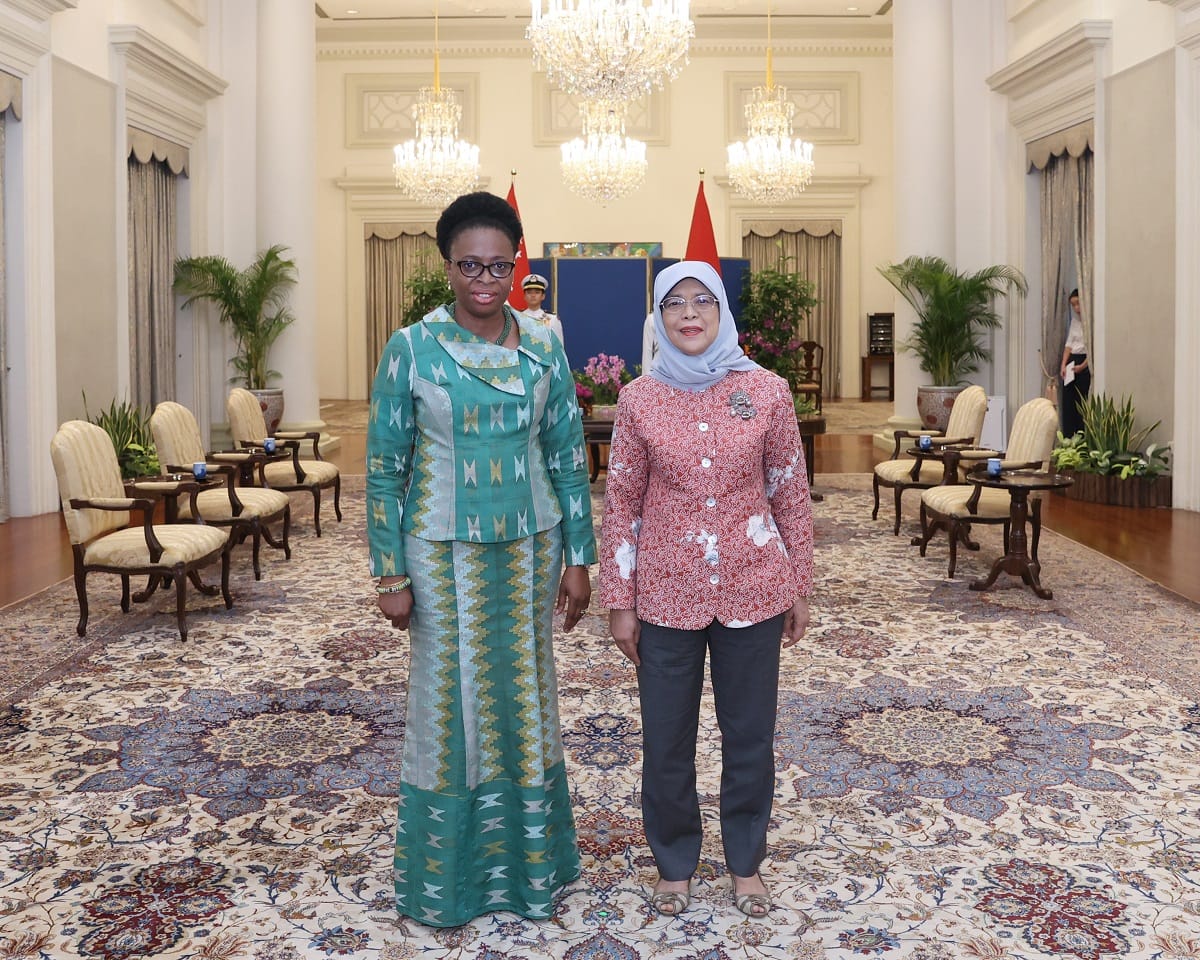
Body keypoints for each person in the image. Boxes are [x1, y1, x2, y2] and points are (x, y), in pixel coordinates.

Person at [366, 191, 596, 928]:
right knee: (448, 712)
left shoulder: (543, 347)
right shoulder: (412, 348)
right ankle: (447, 883)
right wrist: (390, 571)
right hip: (439, 554)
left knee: (524, 704)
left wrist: (579, 557)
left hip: (532, 549)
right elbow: (382, 467)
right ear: (447, 265)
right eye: (470, 264)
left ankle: (531, 872)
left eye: (500, 264)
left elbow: (566, 455)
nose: (485, 279)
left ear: (516, 265)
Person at [598, 260, 814, 919]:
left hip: (754, 589)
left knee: (749, 736)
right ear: (658, 318)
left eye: (702, 302)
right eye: (674, 304)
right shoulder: (637, 400)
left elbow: (790, 493)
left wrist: (797, 584)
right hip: (666, 594)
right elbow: (622, 504)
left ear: (722, 312)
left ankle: (745, 862)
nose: (689, 314)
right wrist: (621, 599)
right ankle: (674, 862)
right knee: (667, 739)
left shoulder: (768, 391)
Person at [1059, 287, 1091, 438]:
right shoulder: (1075, 322)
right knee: (1068, 401)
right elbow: (1069, 345)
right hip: (1072, 361)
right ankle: (1068, 437)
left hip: (1084, 362)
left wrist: (1084, 365)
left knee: (1081, 401)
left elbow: (1092, 350)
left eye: (1078, 303)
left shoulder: (1090, 322)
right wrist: (1063, 364)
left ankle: (1081, 437)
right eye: (1073, 305)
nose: (1076, 308)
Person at [521, 273, 564, 344]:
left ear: (543, 296)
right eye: (529, 293)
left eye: (537, 292)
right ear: (524, 296)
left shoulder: (552, 319)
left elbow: (559, 347)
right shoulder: (517, 318)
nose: (533, 295)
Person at [640, 310, 658, 375]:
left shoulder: (684, 318)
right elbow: (647, 354)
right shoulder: (652, 319)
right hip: (658, 376)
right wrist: (645, 383)